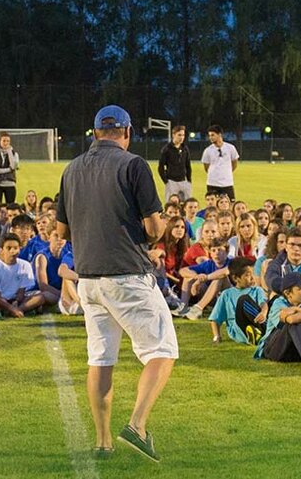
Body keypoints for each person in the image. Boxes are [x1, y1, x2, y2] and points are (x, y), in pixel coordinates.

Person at [54, 105, 176, 461]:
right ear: (127, 132)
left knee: (101, 358)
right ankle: (137, 426)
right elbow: (153, 229)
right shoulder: (133, 164)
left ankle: (102, 442)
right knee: (162, 350)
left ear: (94, 133)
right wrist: (161, 227)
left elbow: (61, 231)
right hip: (126, 275)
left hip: (88, 279)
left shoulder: (71, 168)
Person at [200, 125, 240, 199]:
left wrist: (226, 172)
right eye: (209, 135)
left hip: (227, 183)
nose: (210, 137)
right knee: (213, 206)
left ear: (219, 135)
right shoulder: (208, 150)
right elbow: (206, 166)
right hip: (212, 183)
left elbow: (234, 162)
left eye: (213, 135)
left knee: (229, 204)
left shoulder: (230, 148)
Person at [157, 125, 193, 202]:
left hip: (184, 181)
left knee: (187, 205)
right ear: (173, 135)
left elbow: (188, 165)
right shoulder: (166, 149)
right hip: (171, 182)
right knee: (171, 205)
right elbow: (160, 167)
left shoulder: (185, 149)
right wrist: (166, 182)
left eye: (183, 135)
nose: (181, 137)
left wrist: (189, 181)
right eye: (179, 135)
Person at [0, 132, 21, 206]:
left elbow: (13, 166)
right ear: (0, 141)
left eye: (8, 141)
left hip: (10, 184)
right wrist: (9, 170)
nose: (6, 143)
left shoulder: (14, 154)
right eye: (4, 141)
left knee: (10, 208)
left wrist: (9, 151)